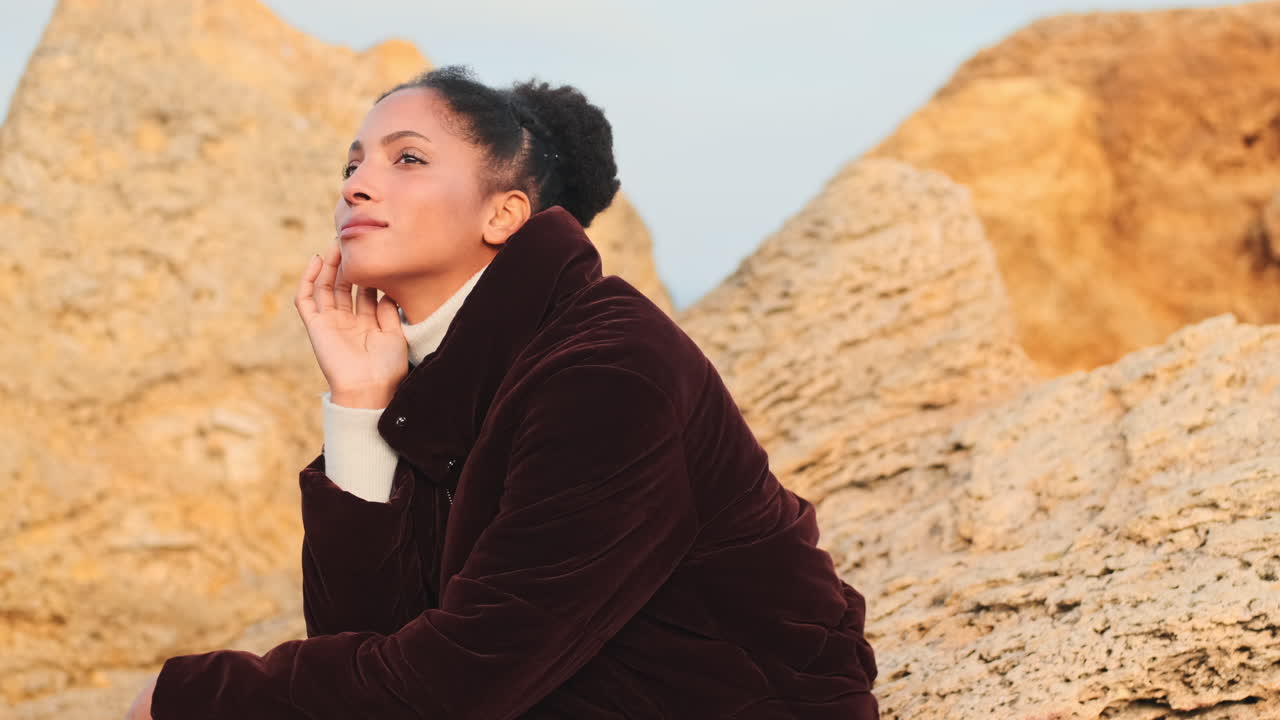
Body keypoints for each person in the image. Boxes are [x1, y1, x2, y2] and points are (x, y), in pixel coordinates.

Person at [127, 64, 878, 719]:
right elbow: (364, 641)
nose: (356, 185)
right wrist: (358, 407)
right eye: (352, 165)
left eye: (408, 159)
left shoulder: (608, 373)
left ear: (504, 214)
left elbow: (456, 683)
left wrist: (190, 697)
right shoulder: (451, 371)